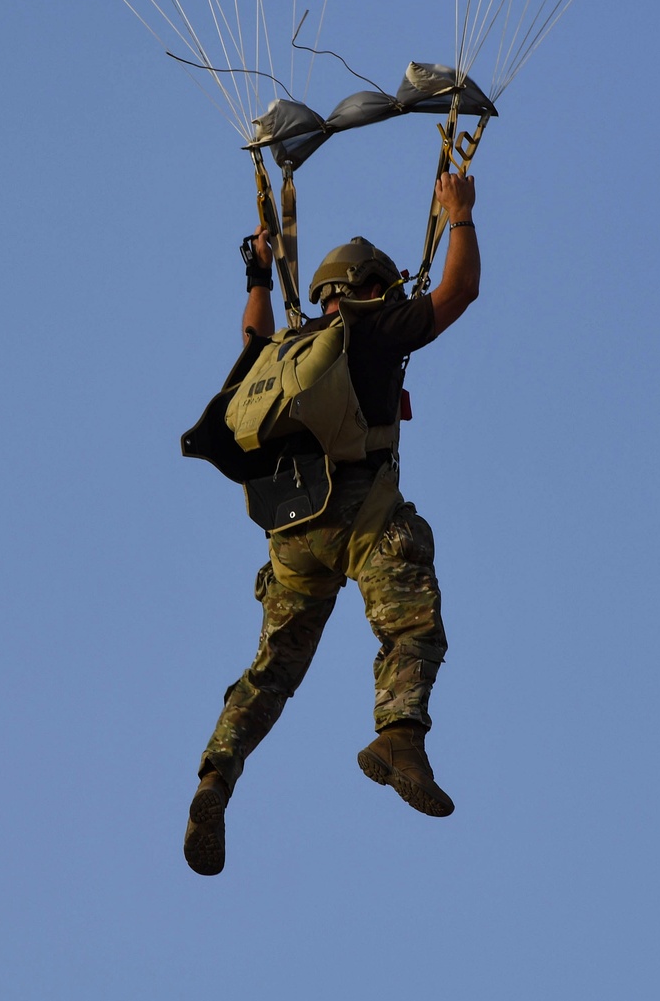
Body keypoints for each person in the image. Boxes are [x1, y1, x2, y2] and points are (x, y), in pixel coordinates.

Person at [183, 170, 479, 876]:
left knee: (272, 669)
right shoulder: (371, 328)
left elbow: (251, 332)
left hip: (288, 534)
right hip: (356, 516)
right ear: (371, 284)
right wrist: (459, 214)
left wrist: (258, 271)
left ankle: (215, 776)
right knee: (410, 618)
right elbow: (457, 292)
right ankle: (399, 736)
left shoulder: (287, 345)